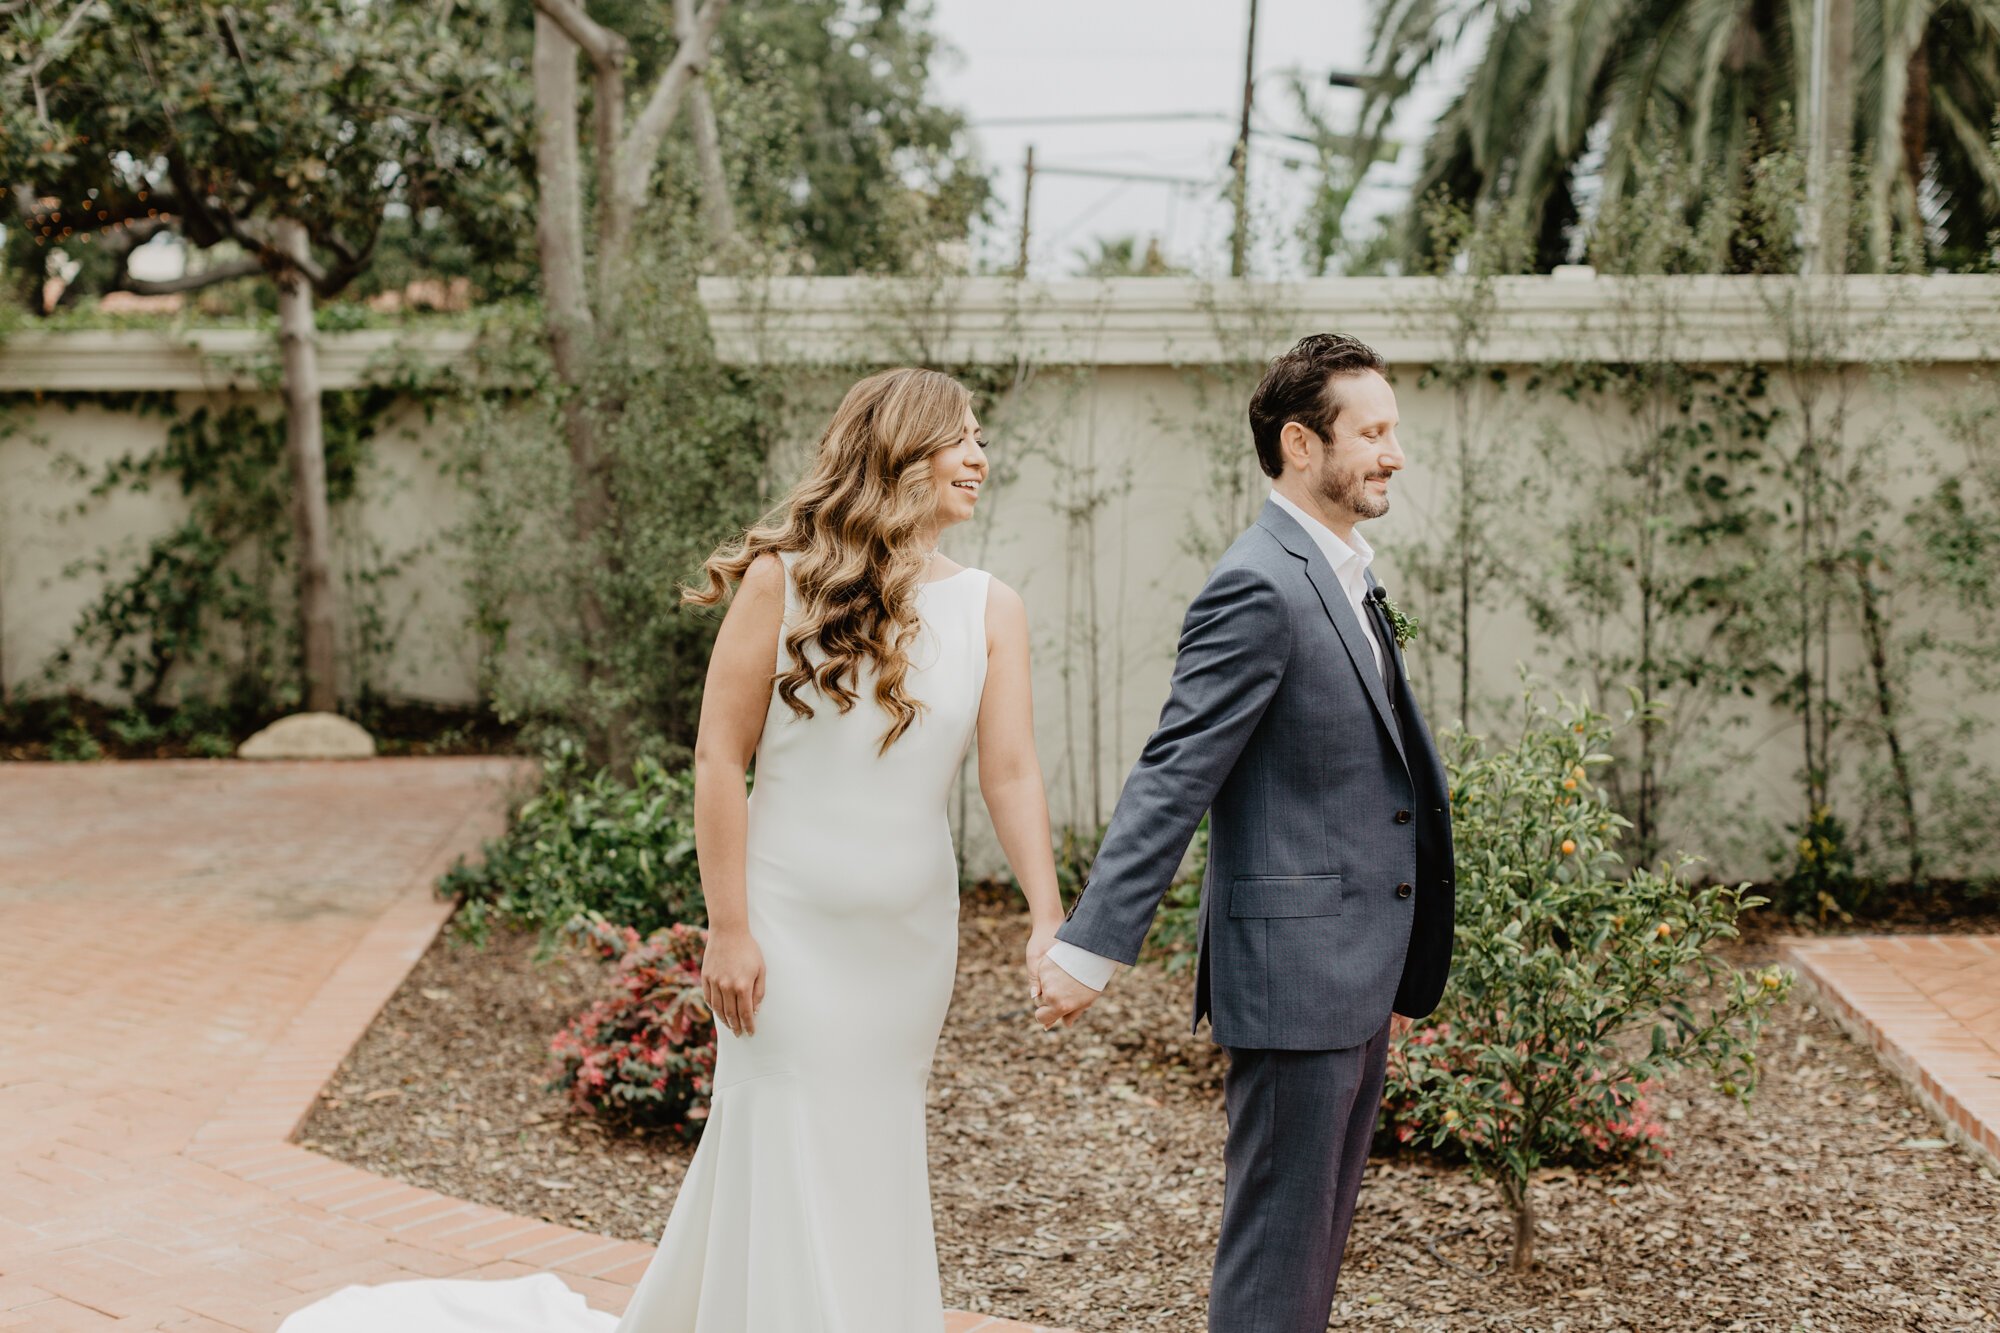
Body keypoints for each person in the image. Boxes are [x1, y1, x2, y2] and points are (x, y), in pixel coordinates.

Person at [276, 366, 1068, 1333]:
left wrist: (1045, 914)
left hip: (907, 941)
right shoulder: (782, 582)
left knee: (872, 1140)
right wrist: (727, 929)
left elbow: (1013, 773)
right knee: (779, 1133)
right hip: (786, 929)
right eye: (961, 437)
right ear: (899, 450)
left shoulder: (993, 607)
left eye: (981, 437)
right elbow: (716, 756)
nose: (980, 457)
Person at [1031, 333, 1457, 1332]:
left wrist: (1393, 963)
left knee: (1308, 1251)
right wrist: (1090, 947)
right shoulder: (1257, 583)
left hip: (1349, 973)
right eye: (1372, 432)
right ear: (1300, 445)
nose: (1392, 452)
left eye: (1393, 430)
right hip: (1295, 980)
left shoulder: (1342, 571)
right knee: (1274, 1255)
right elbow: (1177, 769)